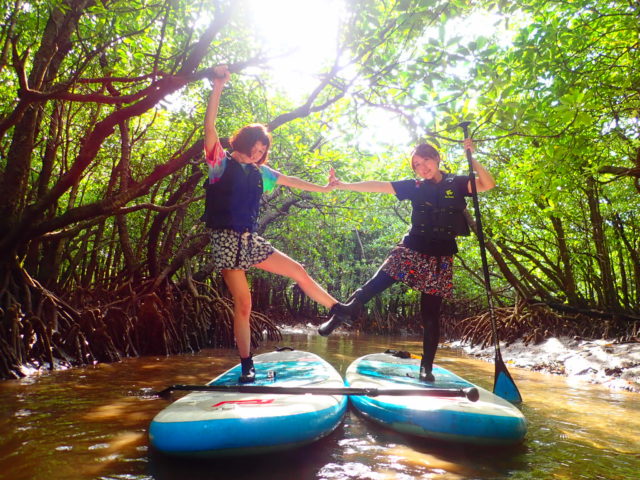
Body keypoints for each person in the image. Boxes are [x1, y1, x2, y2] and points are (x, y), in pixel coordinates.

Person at [203, 65, 351, 383]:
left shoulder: (261, 173)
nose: (259, 153)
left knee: (298, 269)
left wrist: (325, 188)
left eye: (263, 150)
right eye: (255, 148)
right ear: (243, 142)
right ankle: (246, 365)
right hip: (226, 241)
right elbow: (210, 127)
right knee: (244, 304)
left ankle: (337, 308)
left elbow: (292, 180)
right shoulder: (220, 163)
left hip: (250, 239)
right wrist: (218, 86)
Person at [318, 140, 495, 382]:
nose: (422, 168)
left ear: (437, 158)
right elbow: (378, 186)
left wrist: (471, 156)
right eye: (416, 165)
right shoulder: (414, 186)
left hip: (440, 256)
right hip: (412, 248)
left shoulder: (457, 182)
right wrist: (344, 185)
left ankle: (427, 367)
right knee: (378, 281)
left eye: (425, 162)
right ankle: (343, 312)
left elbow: (487, 184)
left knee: (431, 314)